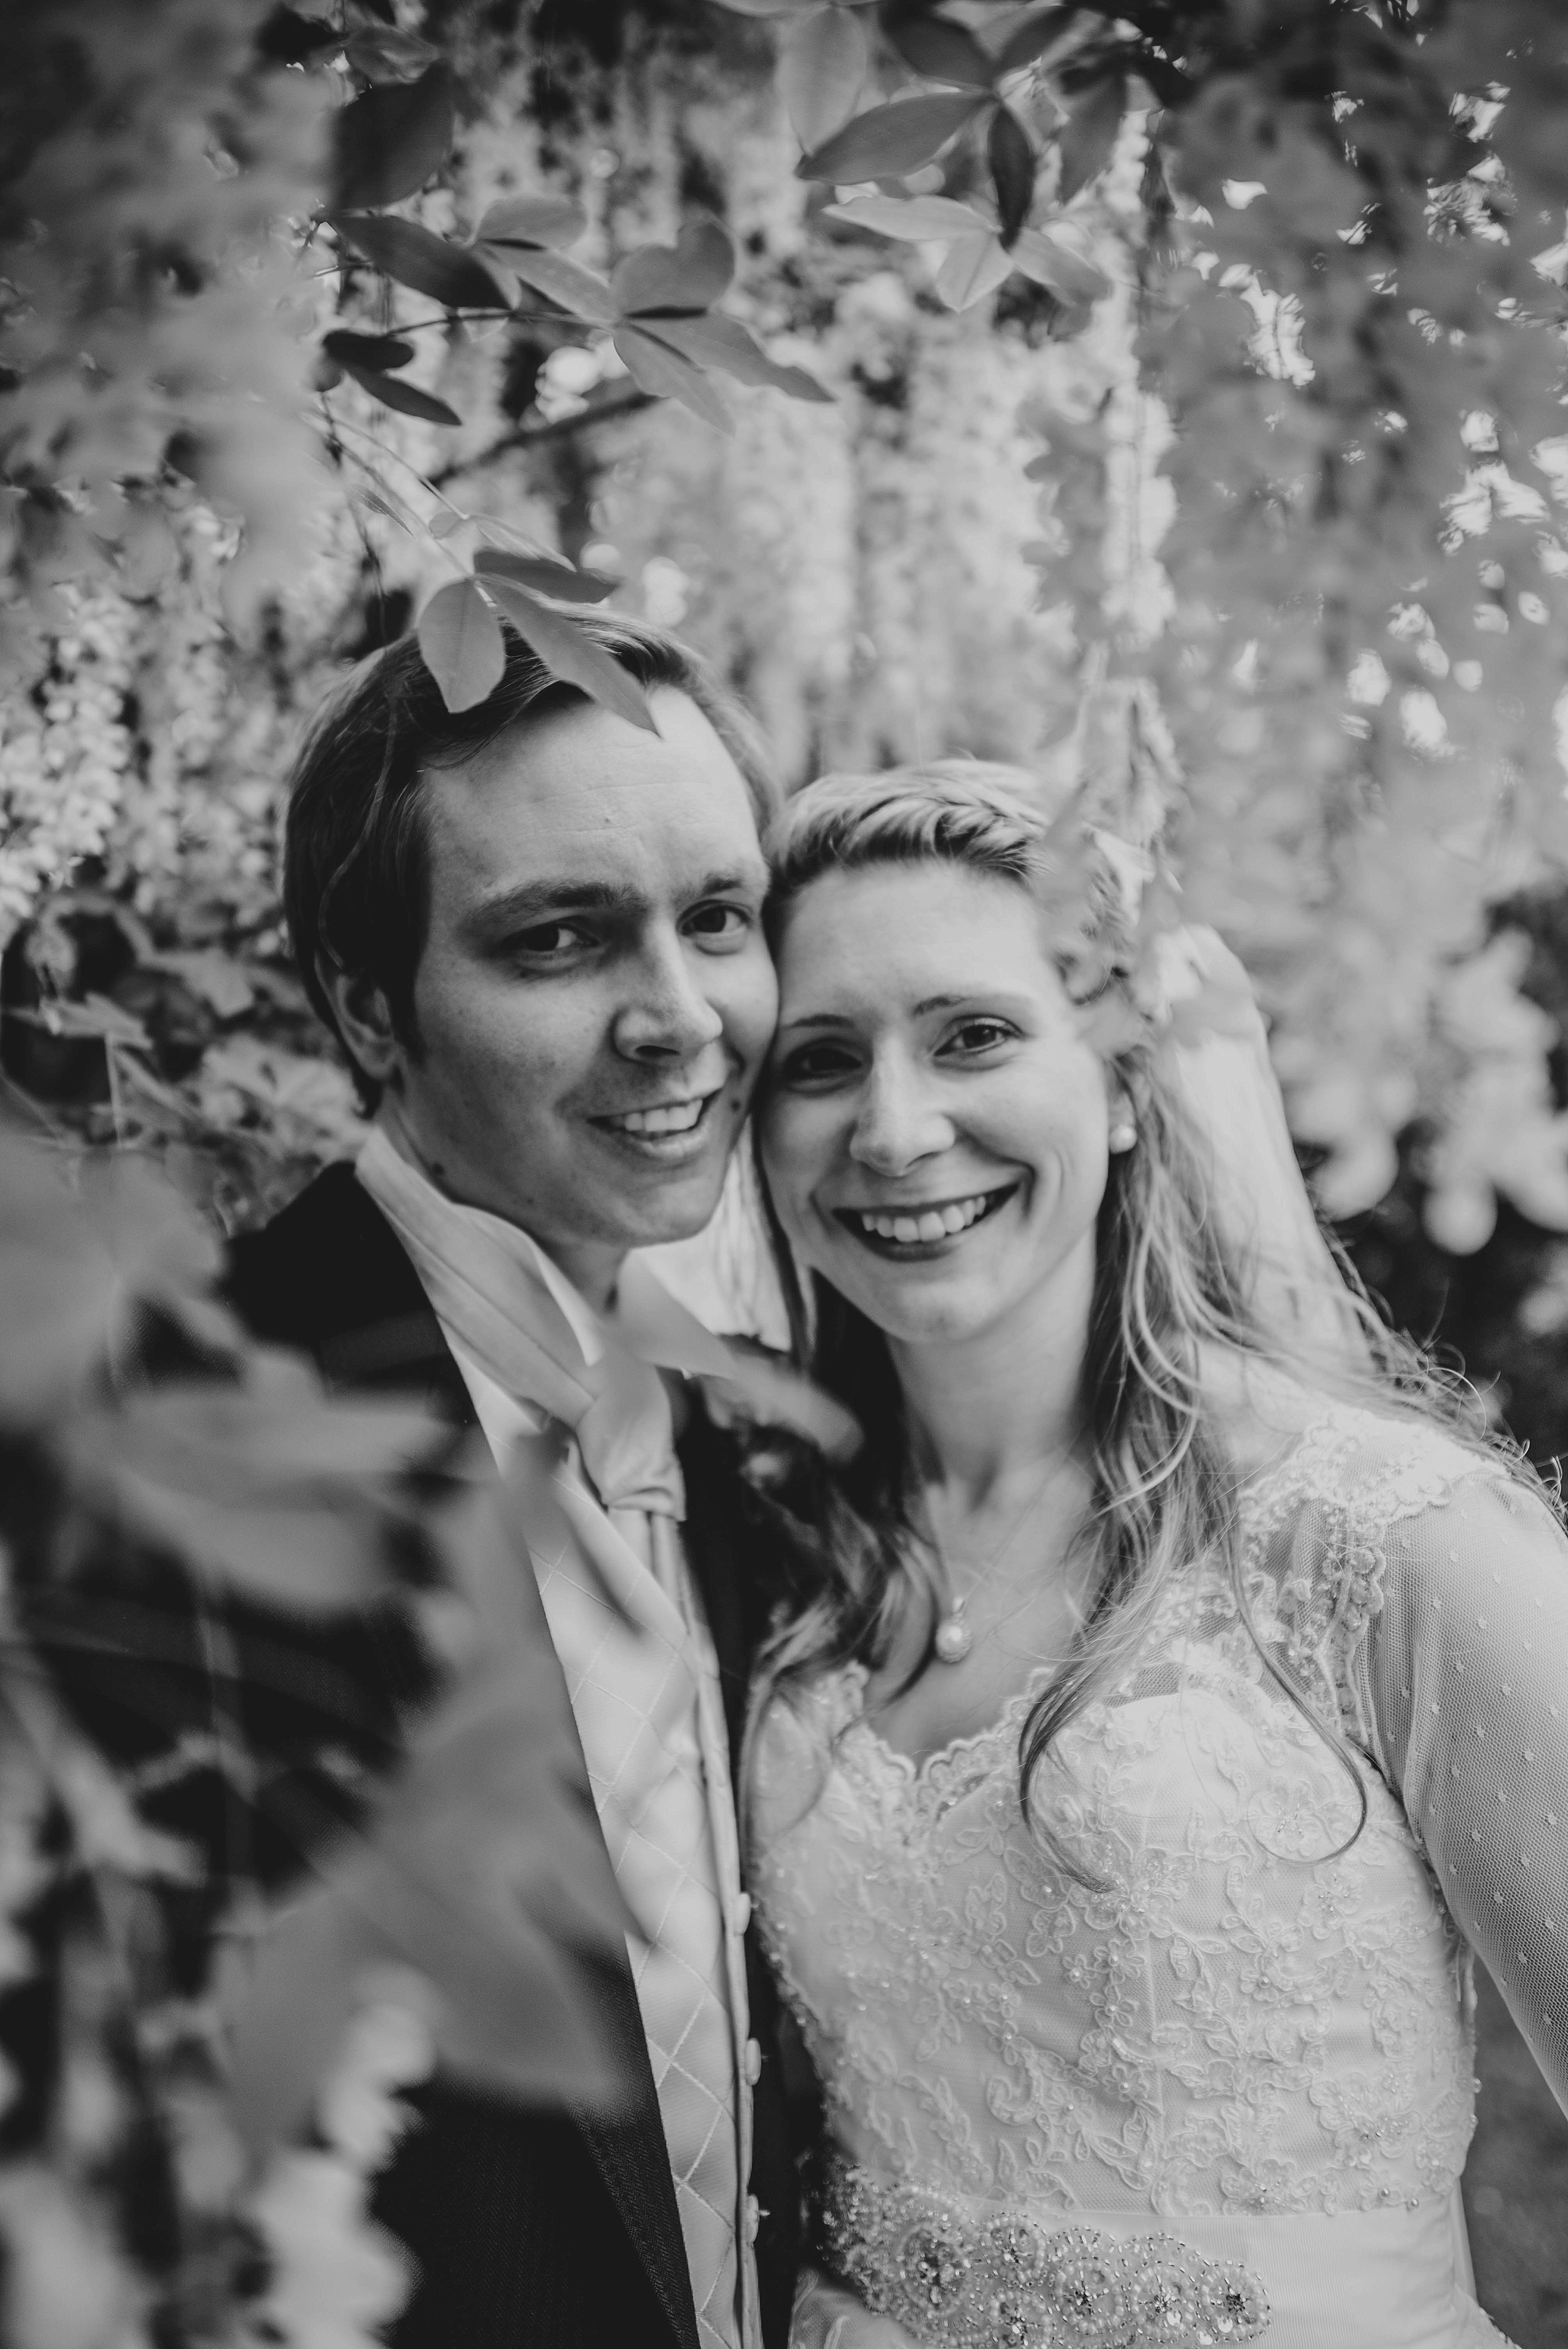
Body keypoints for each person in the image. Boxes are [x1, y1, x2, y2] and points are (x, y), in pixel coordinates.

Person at [741, 763, 1568, 2349]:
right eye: (820, 1059)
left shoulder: (1389, 1541)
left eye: (973, 1034)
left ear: (1125, 1079)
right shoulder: (781, 1553)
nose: (895, 1128)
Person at [226, 612, 800, 2349]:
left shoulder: (753, 1448)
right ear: (366, 1004)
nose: (682, 1017)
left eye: (718, 918)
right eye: (560, 939)